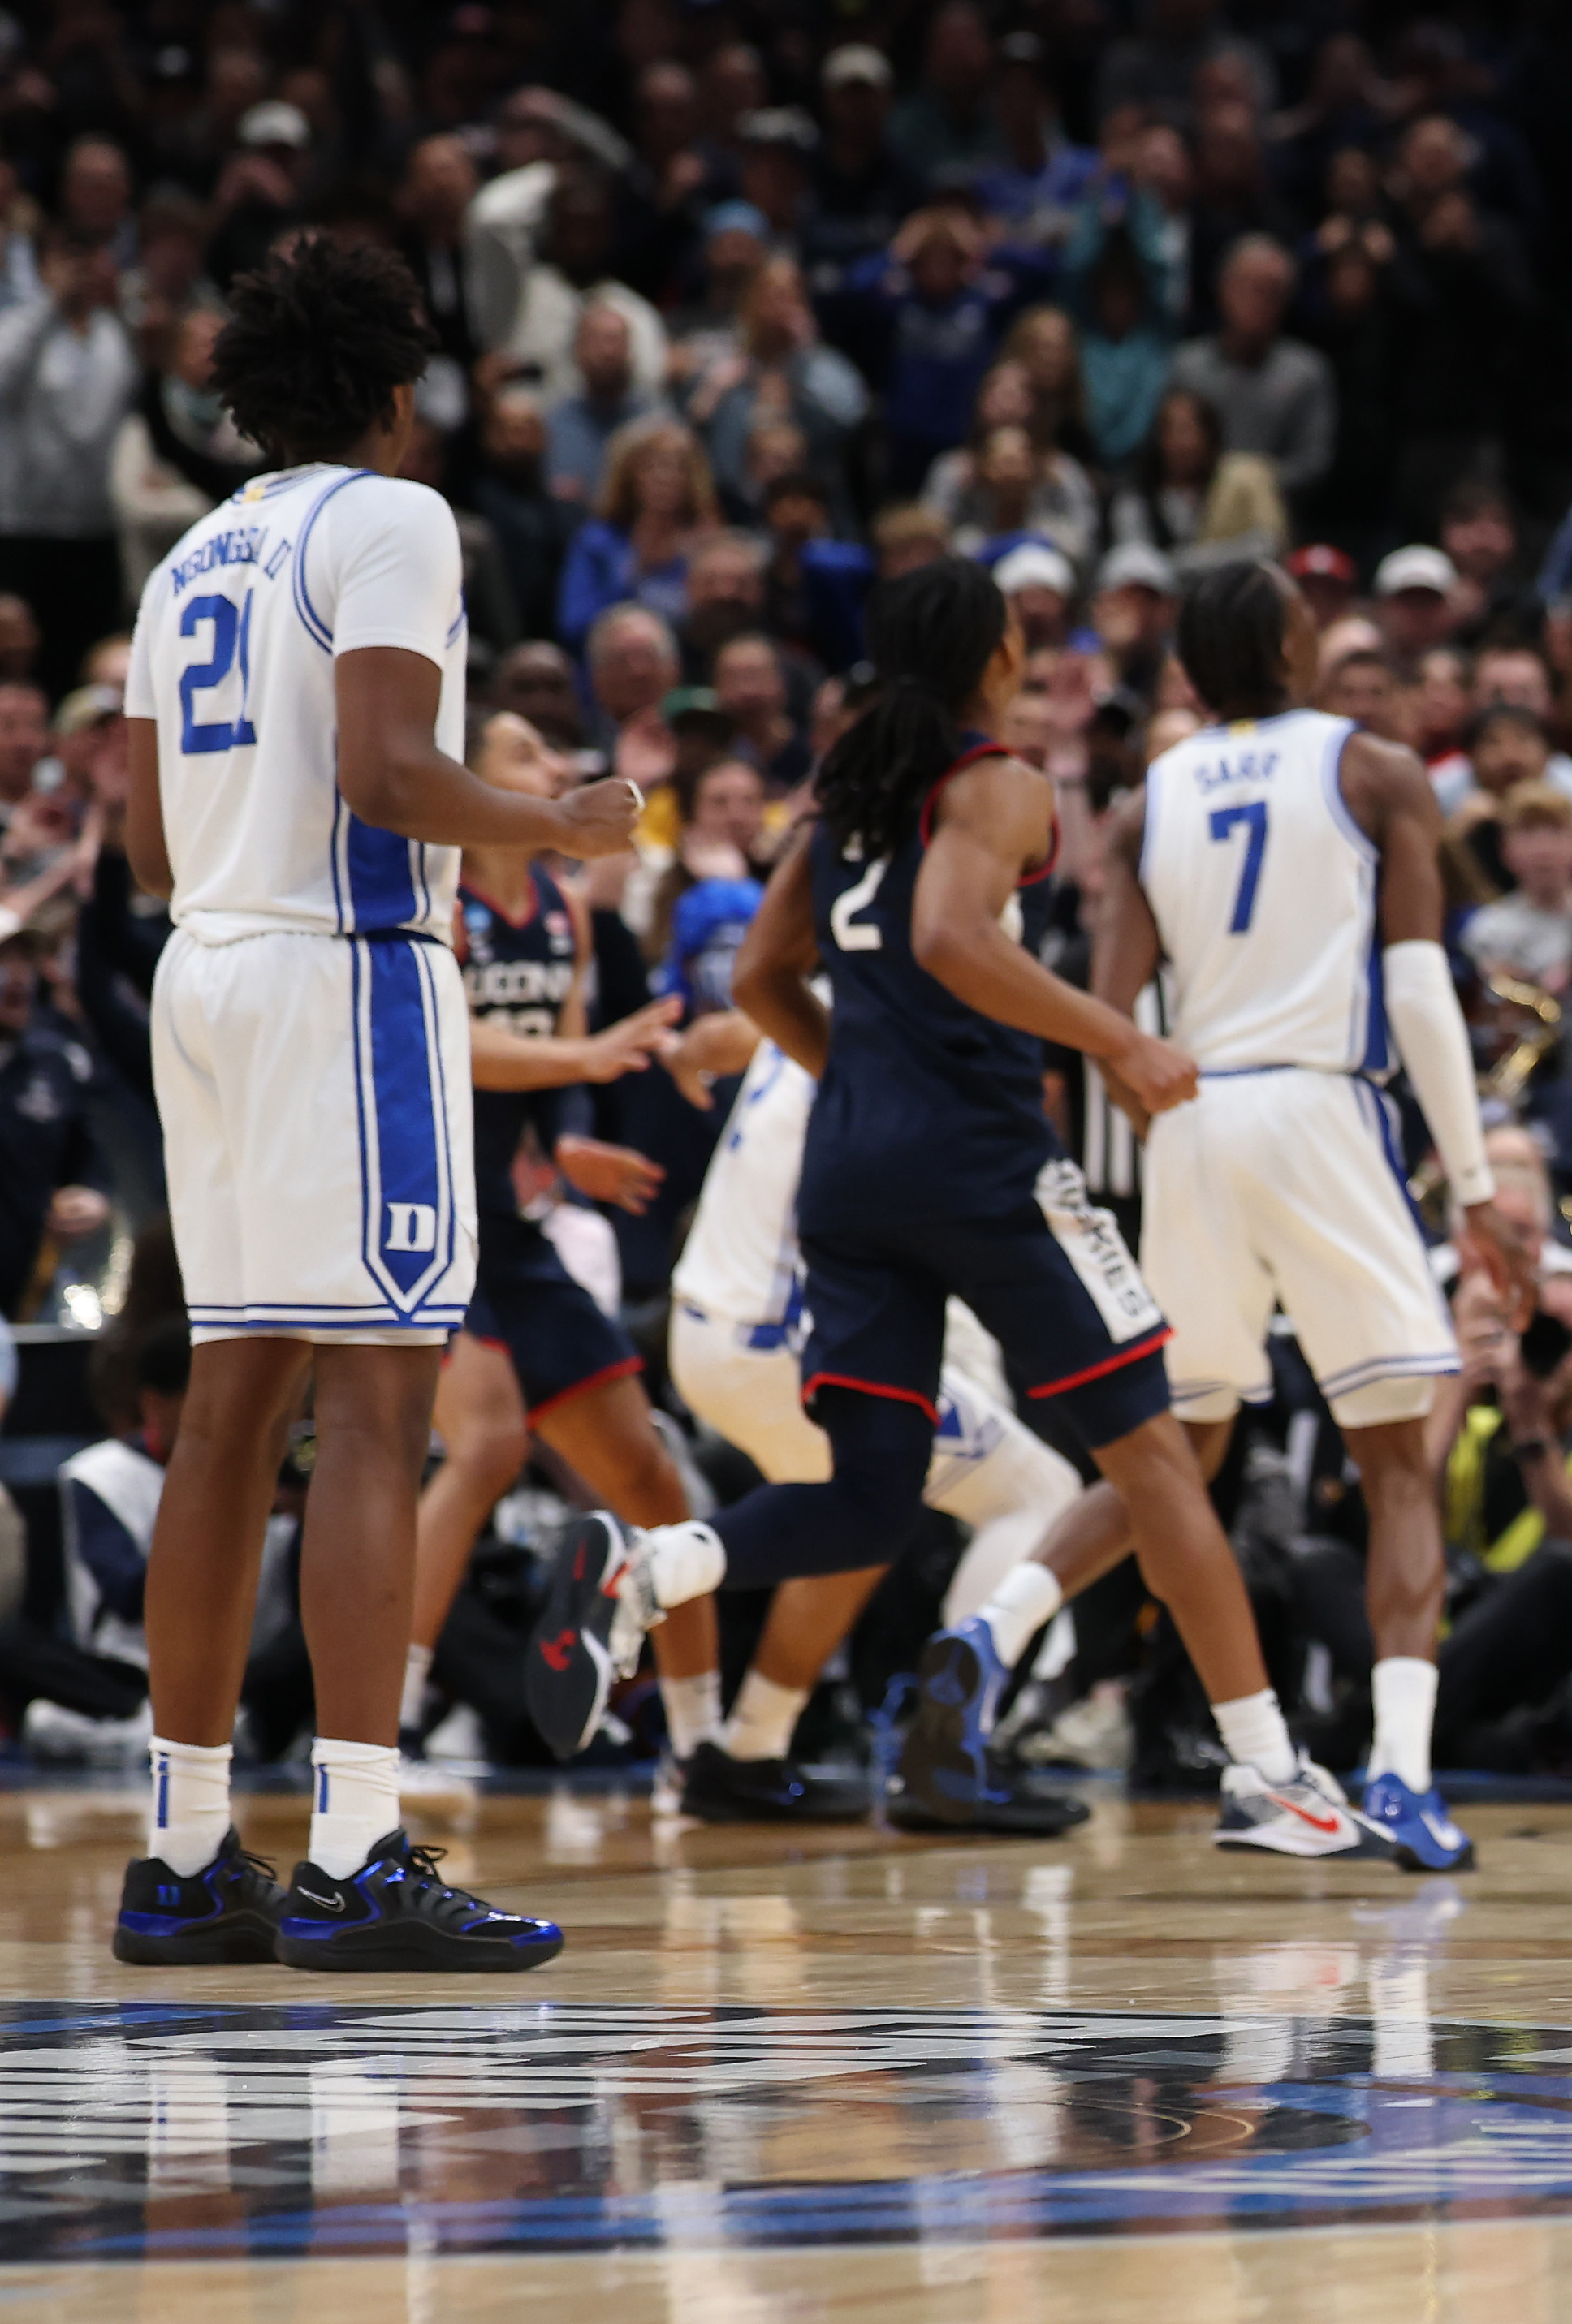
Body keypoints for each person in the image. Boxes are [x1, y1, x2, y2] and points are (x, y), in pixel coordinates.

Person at [525, 556, 1391, 1862]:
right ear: (993, 656)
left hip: (853, 1173)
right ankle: (1272, 1772)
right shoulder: (1000, 784)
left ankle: (648, 1574)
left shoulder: (848, 798)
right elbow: (946, 936)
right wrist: (1116, 1038)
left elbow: (762, 980)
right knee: (1158, 1456)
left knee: (871, 1499)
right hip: (990, 1169)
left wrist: (869, 1079)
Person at [109, 233, 637, 1969]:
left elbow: (142, 843)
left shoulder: (190, 551)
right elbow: (391, 771)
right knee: (379, 1407)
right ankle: (353, 1844)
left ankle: (186, 1849)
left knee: (227, 1407)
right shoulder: (392, 518)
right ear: (397, 396)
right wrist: (554, 826)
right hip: (345, 967)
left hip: (206, 969)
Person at [1089, 558, 1542, 1869]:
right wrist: (1470, 1191)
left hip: (1185, 1121)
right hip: (1319, 1108)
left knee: (1178, 1453)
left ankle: (1005, 1640)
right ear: (1293, 644)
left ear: (1185, 671)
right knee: (1396, 1454)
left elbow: (1117, 1033)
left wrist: (1144, 1186)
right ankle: (1398, 1775)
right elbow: (1415, 1000)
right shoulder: (1372, 768)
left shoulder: (1147, 797)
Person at [404, 710, 741, 1806]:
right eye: (528, 755)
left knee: (652, 1473)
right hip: (427, 1211)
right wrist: (586, 1056)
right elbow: (452, 1041)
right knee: (491, 1441)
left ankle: (700, 1745)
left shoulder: (561, 907)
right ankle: (384, 1714)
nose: (555, 768)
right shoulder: (435, 892)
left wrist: (570, 1141)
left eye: (552, 754)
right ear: (472, 780)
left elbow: (547, 1069)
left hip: (516, 1223)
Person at [659, 1029, 1084, 1819]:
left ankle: (750, 1748)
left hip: (705, 1325)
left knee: (865, 1510)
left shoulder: (808, 1000)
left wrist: (689, 1049)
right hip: (781, 1342)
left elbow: (727, 1027)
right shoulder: (896, 1040)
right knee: (1041, 1492)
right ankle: (951, 1751)